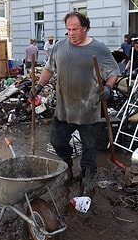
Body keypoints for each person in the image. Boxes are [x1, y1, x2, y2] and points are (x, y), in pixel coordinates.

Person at [32, 11, 120, 197]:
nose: (71, 33)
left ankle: (88, 176)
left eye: (75, 29)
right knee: (57, 142)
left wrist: (108, 88)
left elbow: (113, 72)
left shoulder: (98, 49)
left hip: (89, 109)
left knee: (89, 148)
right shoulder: (59, 47)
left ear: (85, 28)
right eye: (68, 29)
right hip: (64, 109)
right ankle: (68, 165)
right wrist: (39, 86)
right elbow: (49, 69)